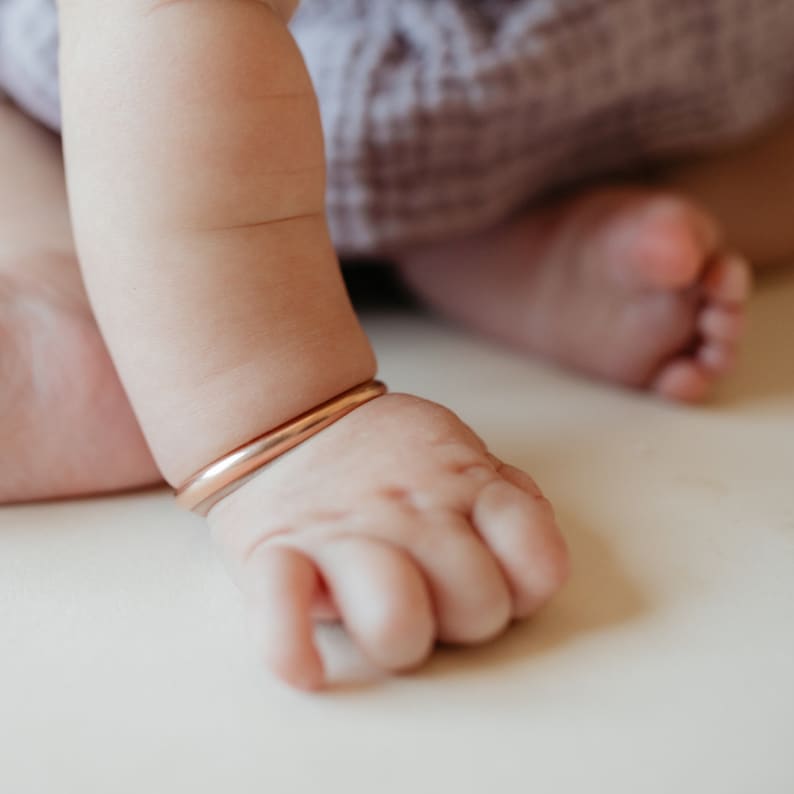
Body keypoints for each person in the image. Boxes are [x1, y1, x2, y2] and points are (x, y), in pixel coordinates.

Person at [1, 0, 791, 689]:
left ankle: (108, 292)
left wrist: (287, 426)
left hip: (187, 95)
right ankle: (487, 241)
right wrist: (281, 423)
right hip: (630, 79)